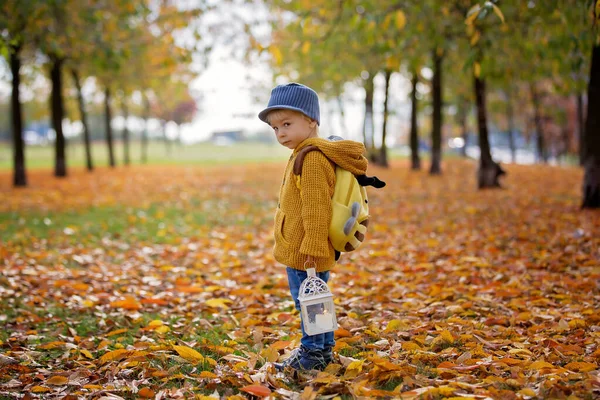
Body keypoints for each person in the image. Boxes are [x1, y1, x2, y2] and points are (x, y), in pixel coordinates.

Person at [258, 83, 369, 371]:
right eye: (275, 128)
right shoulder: (304, 151)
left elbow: (316, 207)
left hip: (306, 250)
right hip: (306, 247)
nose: (280, 132)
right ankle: (323, 352)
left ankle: (311, 357)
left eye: (286, 123)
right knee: (318, 302)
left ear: (311, 120)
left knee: (308, 305)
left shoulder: (312, 158)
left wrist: (312, 250)